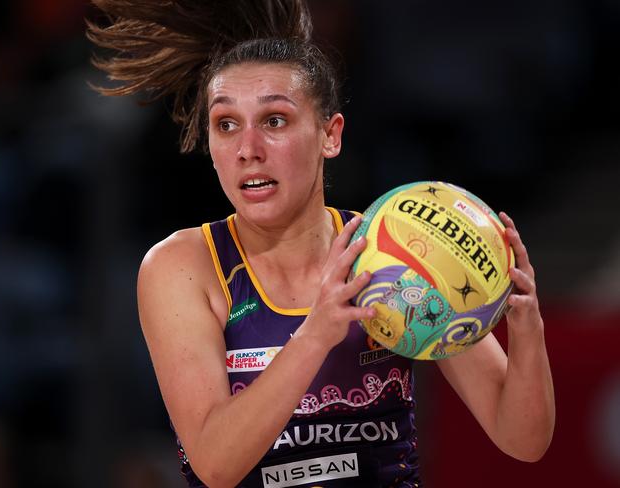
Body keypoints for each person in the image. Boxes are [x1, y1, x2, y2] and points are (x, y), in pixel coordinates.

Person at [87, 1, 555, 486]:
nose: (248, 149)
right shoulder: (182, 266)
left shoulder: (392, 255)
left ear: (330, 135)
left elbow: (522, 440)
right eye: (226, 124)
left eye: (274, 121)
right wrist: (316, 334)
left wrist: (527, 325)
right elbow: (215, 463)